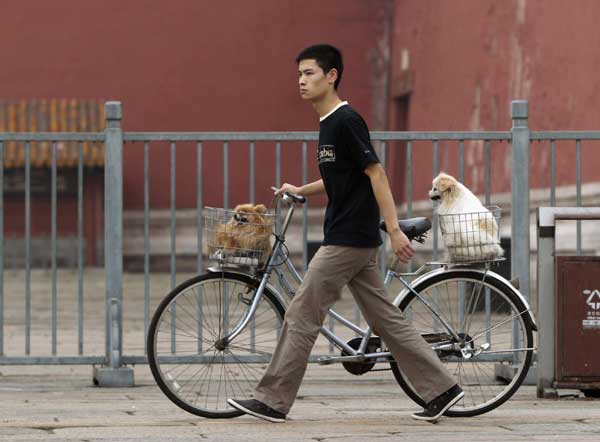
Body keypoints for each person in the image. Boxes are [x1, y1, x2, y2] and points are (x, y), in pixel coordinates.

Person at [228, 44, 463, 423]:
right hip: (352, 235)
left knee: (302, 314)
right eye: (299, 75)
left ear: (331, 75)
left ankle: (272, 399)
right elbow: (342, 175)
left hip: (348, 238)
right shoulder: (328, 124)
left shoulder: (345, 120)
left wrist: (393, 229)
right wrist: (302, 190)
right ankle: (444, 390)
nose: (301, 81)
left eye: (309, 73)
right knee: (387, 320)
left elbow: (376, 173)